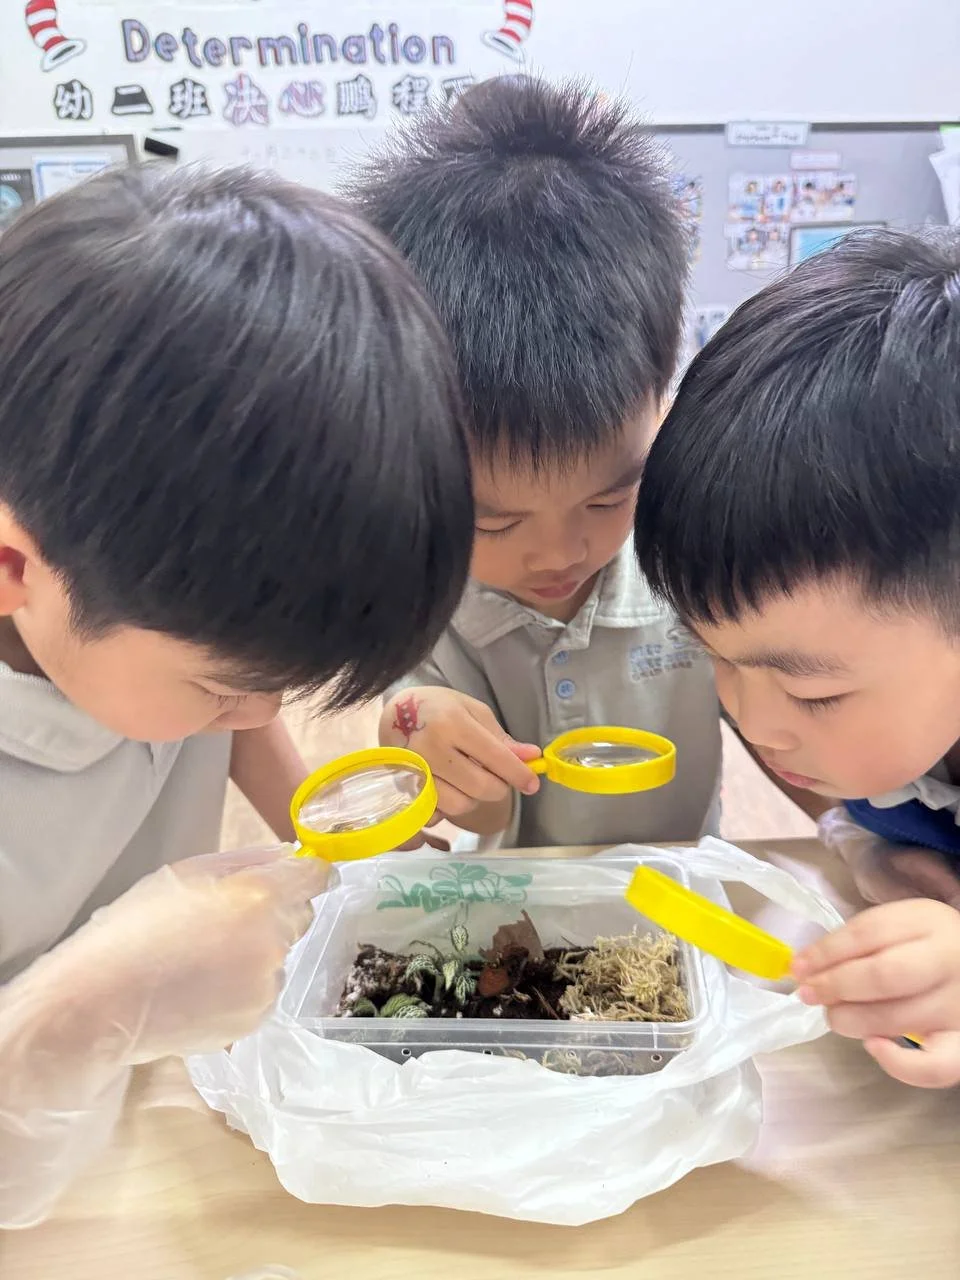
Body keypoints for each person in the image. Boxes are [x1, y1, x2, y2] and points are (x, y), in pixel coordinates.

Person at [0, 162, 473, 1223]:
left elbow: (237, 724)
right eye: (223, 688)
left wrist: (333, 839)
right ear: (15, 568)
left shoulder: (126, 601)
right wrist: (78, 1010)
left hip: (118, 1117)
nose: (255, 716)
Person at [348, 76, 722, 848]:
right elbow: (477, 823)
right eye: (496, 520)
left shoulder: (690, 552)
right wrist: (438, 757)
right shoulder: (417, 604)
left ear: (659, 410)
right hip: (522, 930)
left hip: (682, 905)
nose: (559, 553)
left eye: (606, 500)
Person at [635, 227, 960, 1088]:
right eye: (716, 658)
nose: (755, 722)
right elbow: (878, 805)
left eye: (814, 696)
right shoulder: (893, 720)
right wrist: (864, 849)